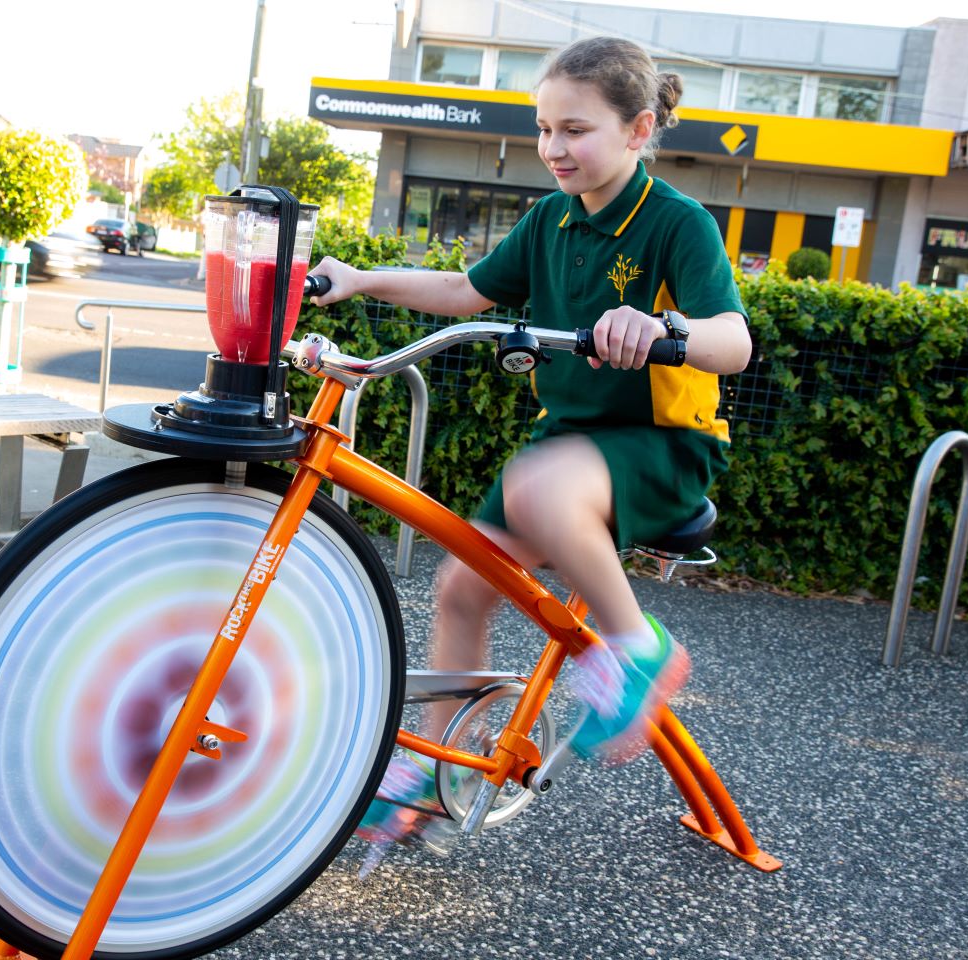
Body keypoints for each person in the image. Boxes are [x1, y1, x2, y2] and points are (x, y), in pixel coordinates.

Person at [310, 35, 753, 851]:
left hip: (664, 443)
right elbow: (465, 290)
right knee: (460, 589)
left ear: (638, 129)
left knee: (539, 486)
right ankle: (443, 768)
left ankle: (637, 650)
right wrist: (361, 278)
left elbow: (735, 342)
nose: (553, 148)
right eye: (544, 128)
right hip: (571, 442)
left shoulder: (675, 224)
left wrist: (663, 327)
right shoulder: (551, 220)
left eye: (575, 130)